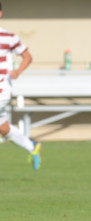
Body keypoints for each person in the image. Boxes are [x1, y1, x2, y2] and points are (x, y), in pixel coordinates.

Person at [0, 2, 41, 170]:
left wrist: (17, 71)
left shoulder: (9, 37)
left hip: (3, 88)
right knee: (3, 127)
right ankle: (32, 146)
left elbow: (27, 56)